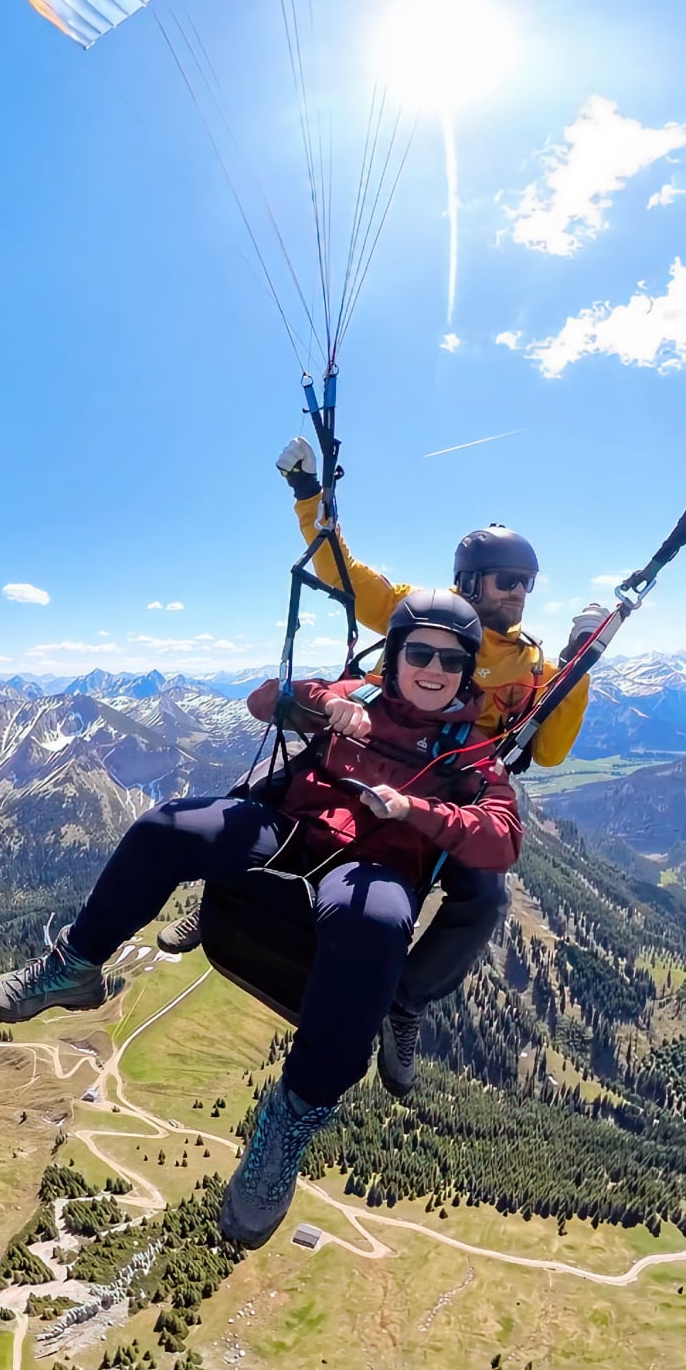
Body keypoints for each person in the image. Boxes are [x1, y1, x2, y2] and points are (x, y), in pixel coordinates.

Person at [0, 591, 522, 1247]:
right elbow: (265, 700)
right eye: (421, 652)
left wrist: (418, 814)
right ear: (396, 656)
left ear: (466, 673)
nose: (435, 670)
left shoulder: (472, 754)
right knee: (162, 828)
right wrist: (325, 703)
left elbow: (500, 841)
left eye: (452, 661)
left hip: (375, 864)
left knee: (371, 925)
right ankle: (74, 967)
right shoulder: (356, 696)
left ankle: (291, 1119)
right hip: (294, 829)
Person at [159, 436, 605, 1100]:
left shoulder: (531, 666)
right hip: (367, 749)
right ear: (469, 583)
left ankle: (406, 998)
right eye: (507, 581)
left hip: (450, 786)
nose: (519, 594)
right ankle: (215, 896)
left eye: (525, 584)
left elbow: (548, 751)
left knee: (484, 895)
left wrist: (579, 667)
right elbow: (344, 572)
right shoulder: (415, 610)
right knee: (265, 787)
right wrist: (308, 496)